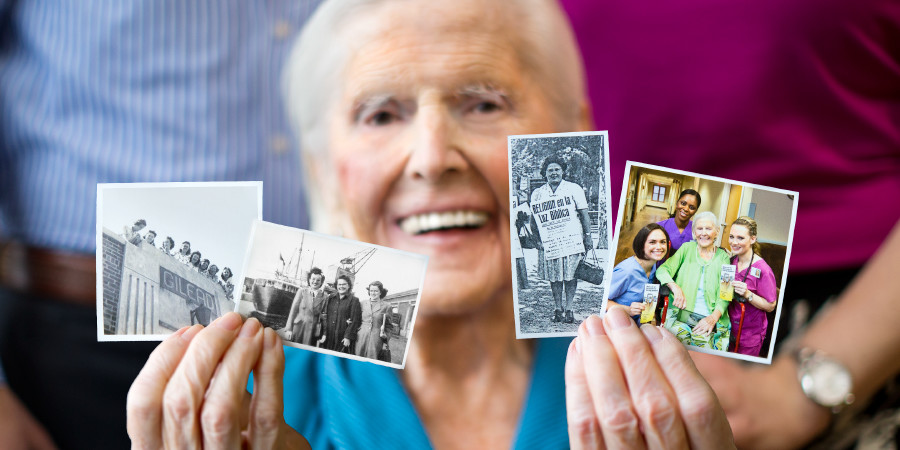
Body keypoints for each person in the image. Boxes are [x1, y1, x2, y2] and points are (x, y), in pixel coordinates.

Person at [126, 1, 736, 448]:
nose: (431, 156)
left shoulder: (676, 383)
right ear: (321, 165)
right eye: (381, 114)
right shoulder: (236, 400)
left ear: (573, 136)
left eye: (483, 104)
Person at [561, 0, 900, 446]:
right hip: (600, 319)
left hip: (862, 323)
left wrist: (803, 389)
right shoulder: (663, 259)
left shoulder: (742, 265)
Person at [530, 154, 592, 324]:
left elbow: (584, 214)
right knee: (554, 276)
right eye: (550, 170)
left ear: (563, 171)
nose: (554, 173)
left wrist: (588, 237)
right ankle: (558, 308)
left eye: (557, 169)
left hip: (572, 240)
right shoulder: (538, 193)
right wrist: (536, 239)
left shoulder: (574, 189)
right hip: (550, 243)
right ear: (545, 173)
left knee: (571, 275)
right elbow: (533, 219)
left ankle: (570, 308)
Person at [656, 211, 732, 350]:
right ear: (694, 232)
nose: (704, 233)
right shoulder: (687, 249)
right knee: (675, 346)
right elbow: (663, 270)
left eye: (708, 229)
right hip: (680, 314)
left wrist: (713, 318)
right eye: (699, 228)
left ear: (717, 231)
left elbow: (726, 293)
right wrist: (675, 287)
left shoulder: (723, 257)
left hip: (708, 317)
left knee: (703, 349)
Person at [725, 216, 777, 357]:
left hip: (749, 334)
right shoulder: (730, 262)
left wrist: (748, 294)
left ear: (752, 239)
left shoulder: (763, 270)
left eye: (740, 238)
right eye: (731, 237)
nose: (734, 242)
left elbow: (771, 305)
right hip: (726, 327)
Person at [606, 223, 669, 324]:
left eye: (663, 242)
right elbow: (602, 302)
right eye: (652, 242)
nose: (659, 247)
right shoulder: (627, 271)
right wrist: (628, 310)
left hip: (637, 322)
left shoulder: (653, 267)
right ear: (642, 245)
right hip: (616, 323)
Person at [284, 267, 327, 346]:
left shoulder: (324, 296)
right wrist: (288, 329)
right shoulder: (302, 291)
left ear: (321, 282)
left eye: (318, 280)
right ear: (309, 279)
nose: (315, 282)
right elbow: (293, 311)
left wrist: (324, 334)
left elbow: (324, 317)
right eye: (313, 279)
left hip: (312, 332)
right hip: (299, 328)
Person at [320, 275, 361, 354]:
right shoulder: (330, 298)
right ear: (336, 286)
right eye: (339, 284)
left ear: (348, 286)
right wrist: (323, 333)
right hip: (329, 335)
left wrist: (347, 337)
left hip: (342, 337)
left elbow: (356, 320)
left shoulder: (354, 300)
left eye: (344, 284)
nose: (341, 286)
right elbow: (325, 315)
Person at [355, 281, 392, 361]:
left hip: (376, 340)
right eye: (371, 290)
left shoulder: (386, 306)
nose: (373, 293)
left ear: (380, 292)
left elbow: (389, 326)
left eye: (376, 291)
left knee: (371, 361)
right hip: (361, 337)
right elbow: (356, 319)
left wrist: (385, 336)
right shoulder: (362, 303)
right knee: (357, 359)